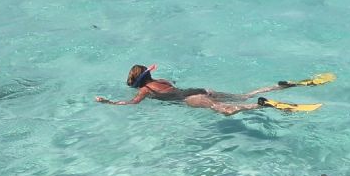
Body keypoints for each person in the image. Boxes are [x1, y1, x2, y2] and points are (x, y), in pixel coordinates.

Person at [95, 65, 324, 116]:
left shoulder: (145, 90)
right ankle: (281, 86)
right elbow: (174, 85)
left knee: (226, 111)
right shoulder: (161, 79)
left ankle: (261, 105)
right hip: (199, 89)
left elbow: (133, 103)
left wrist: (109, 103)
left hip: (192, 99)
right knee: (243, 95)